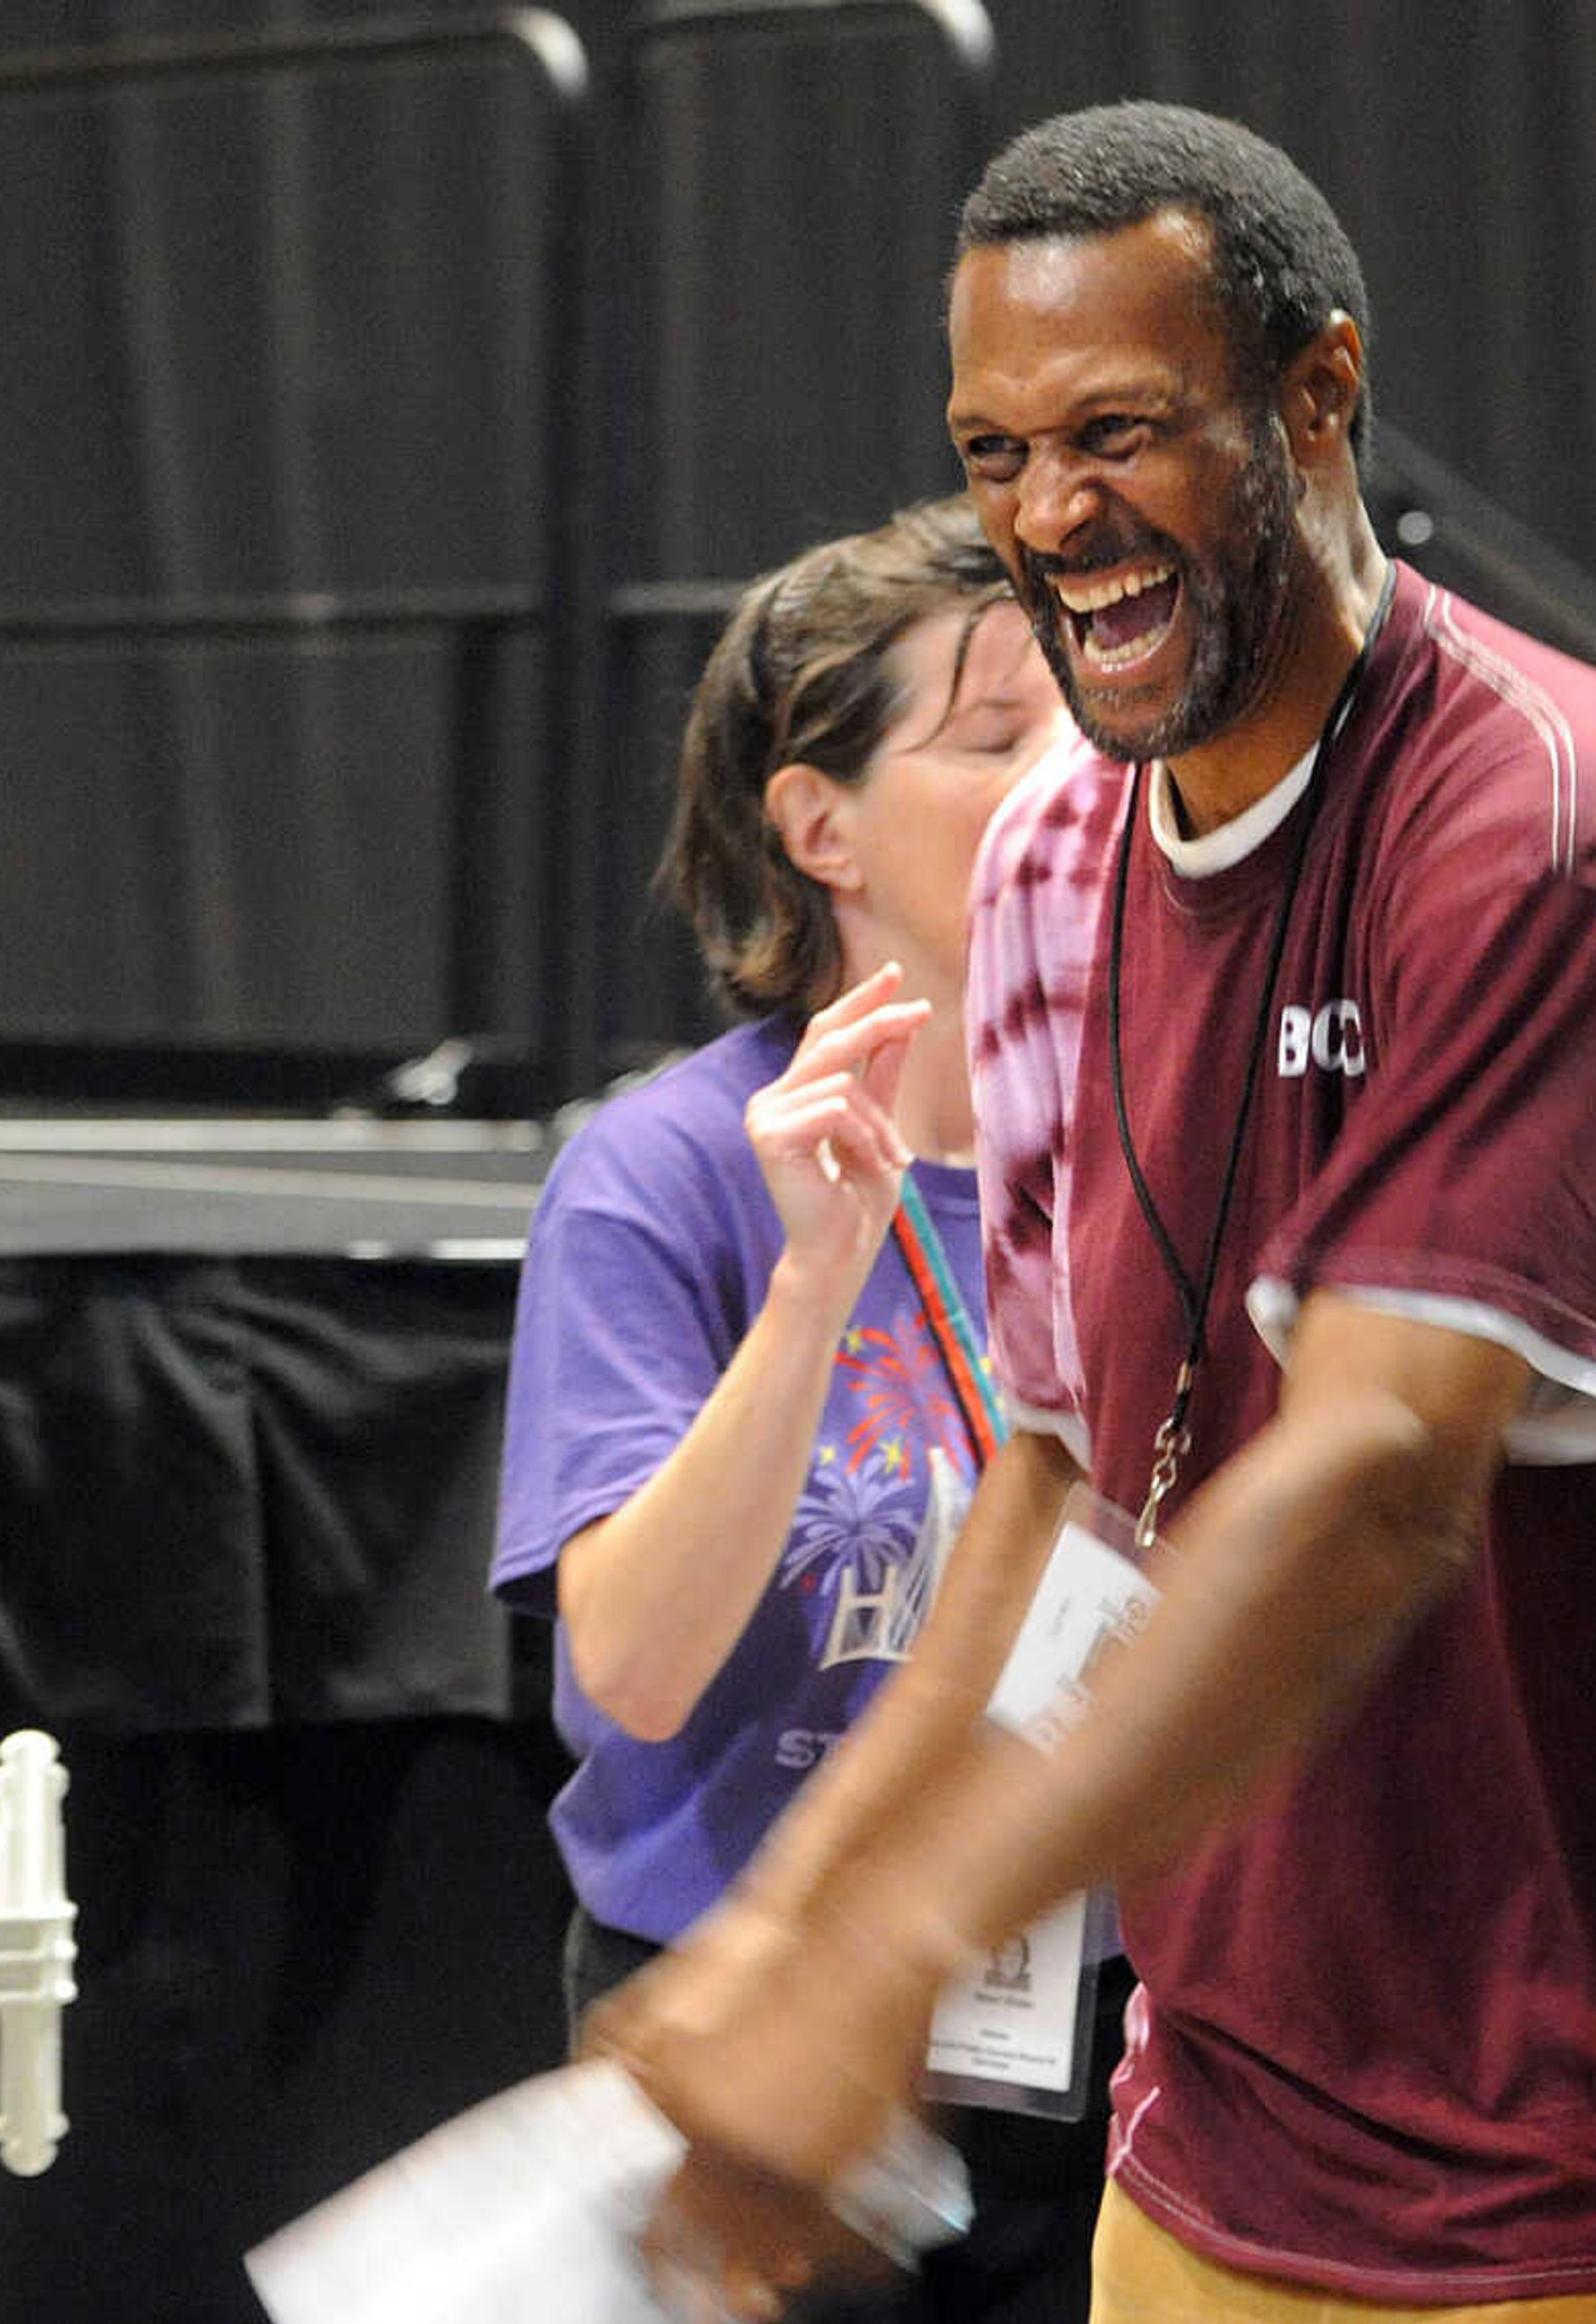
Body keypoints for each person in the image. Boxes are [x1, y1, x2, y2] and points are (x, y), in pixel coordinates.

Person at [593, 100, 1596, 2321]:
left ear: (1318, 393)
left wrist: (894, 1958)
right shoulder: (1044, 869)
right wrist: (796, 1933)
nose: (1053, 517)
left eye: (1119, 431)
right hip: (1216, 2136)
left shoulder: (1548, 819)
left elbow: (1384, 1471)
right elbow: (1056, 1487)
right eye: (996, 450)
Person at [497, 500, 1118, 2321]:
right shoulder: (667, 1174)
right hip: (752, 2019)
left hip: (1086, 2025)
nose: (1073, 778)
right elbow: (641, 1673)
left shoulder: (1141, 1148)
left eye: (1089, 728)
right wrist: (813, 1279)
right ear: (818, 824)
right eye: (1001, 738)